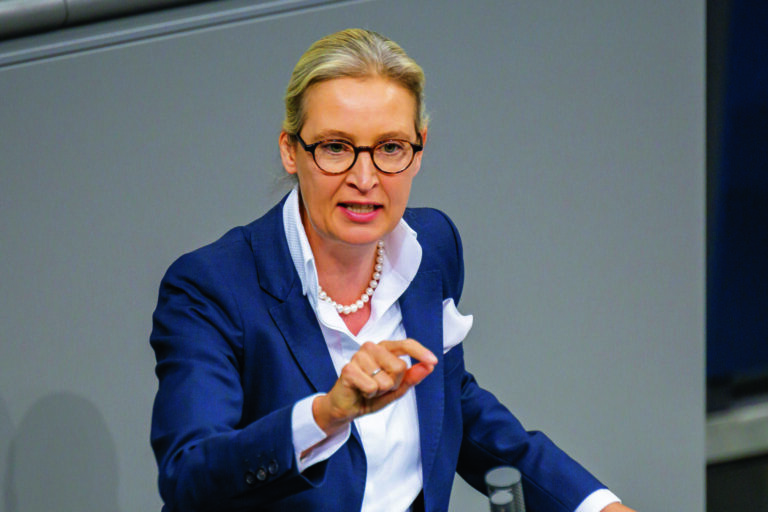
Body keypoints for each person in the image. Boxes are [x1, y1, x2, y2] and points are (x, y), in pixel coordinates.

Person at [150, 28, 637, 512]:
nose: (365, 179)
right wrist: (325, 415)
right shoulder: (211, 286)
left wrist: (593, 506)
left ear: (419, 149)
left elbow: (455, 405)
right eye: (336, 147)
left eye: (389, 148)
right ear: (290, 149)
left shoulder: (433, 251)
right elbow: (189, 474)